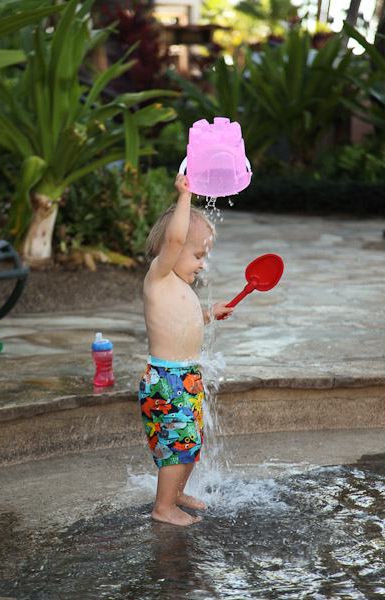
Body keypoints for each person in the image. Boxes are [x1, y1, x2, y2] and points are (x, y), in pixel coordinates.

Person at [139, 173, 233, 526]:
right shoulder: (159, 276)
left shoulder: (180, 287)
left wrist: (210, 314)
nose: (202, 263)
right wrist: (185, 196)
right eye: (197, 255)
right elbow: (177, 236)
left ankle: (177, 493)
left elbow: (185, 323)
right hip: (166, 380)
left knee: (190, 443)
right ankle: (163, 507)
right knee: (175, 447)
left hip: (186, 379)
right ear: (173, 249)